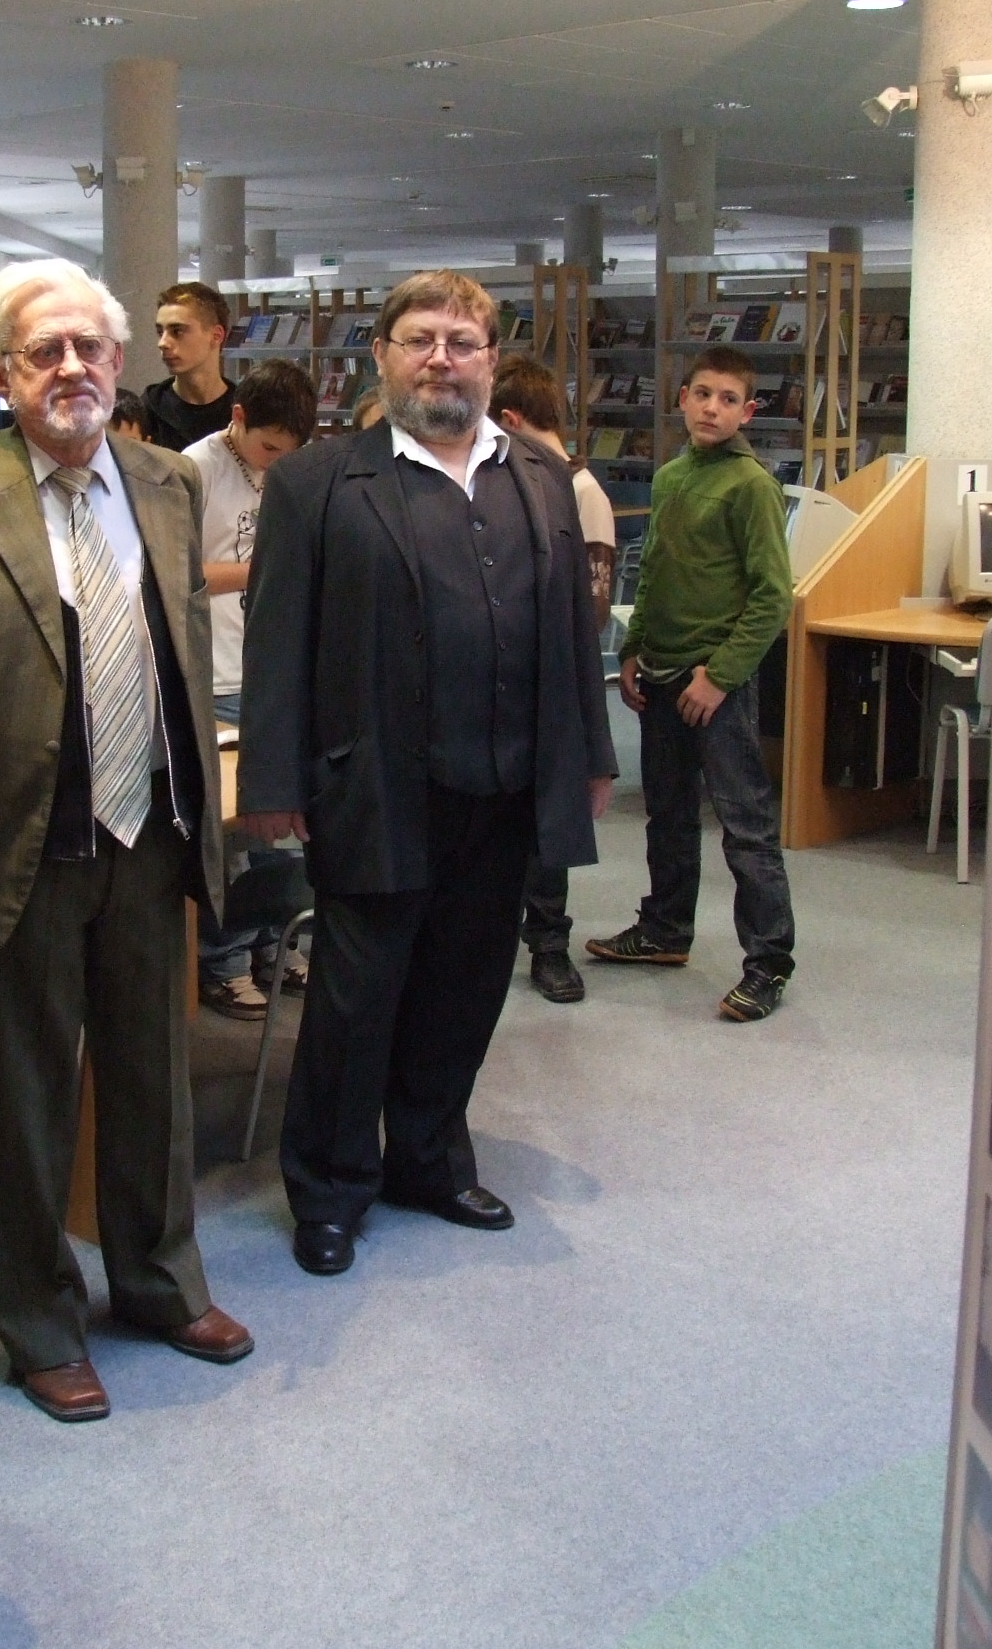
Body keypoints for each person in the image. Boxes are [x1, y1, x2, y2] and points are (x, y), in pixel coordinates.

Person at [0, 258, 254, 1424]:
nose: (71, 368)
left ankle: (159, 1284)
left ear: (119, 363)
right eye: (45, 351)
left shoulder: (165, 485)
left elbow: (180, 644)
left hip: (150, 832)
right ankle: (39, 1324)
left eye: (90, 347)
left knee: (152, 1081)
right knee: (29, 1100)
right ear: (2, 374)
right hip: (21, 846)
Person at [238, 271, 617, 1278]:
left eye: (462, 340)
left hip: (505, 787)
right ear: (382, 356)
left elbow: (572, 633)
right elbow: (277, 638)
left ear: (492, 359)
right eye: (420, 339)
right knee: (356, 1002)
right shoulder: (318, 483)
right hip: (375, 786)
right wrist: (273, 778)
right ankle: (330, 1187)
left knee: (465, 988)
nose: (441, 358)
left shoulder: (540, 475)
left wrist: (591, 754)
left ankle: (429, 1162)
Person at [585, 343, 797, 1023]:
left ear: (747, 412)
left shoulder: (751, 486)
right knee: (668, 816)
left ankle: (768, 963)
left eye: (728, 399)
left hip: (716, 683)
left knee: (745, 827)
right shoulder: (673, 476)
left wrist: (721, 675)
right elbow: (655, 572)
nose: (712, 408)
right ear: (682, 399)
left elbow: (772, 597)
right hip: (662, 671)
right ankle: (665, 929)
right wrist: (634, 648)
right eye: (702, 394)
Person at [184, 357, 317, 1019]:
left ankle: (273, 944)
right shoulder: (195, 470)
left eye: (288, 453)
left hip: (270, 672)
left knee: (273, 821)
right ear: (238, 419)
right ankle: (224, 961)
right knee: (226, 836)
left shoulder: (288, 471)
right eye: (267, 449)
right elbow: (178, 573)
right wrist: (264, 568)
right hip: (214, 673)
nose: (275, 463)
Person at [489, 356, 619, 1005]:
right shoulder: (503, 482)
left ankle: (549, 944)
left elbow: (589, 604)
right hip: (502, 682)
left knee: (549, 829)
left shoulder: (579, 490)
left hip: (555, 684)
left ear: (510, 420)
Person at [141, 280, 235, 452]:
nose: (162, 343)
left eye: (177, 331)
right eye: (160, 332)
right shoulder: (149, 410)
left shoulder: (245, 410)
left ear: (216, 336)